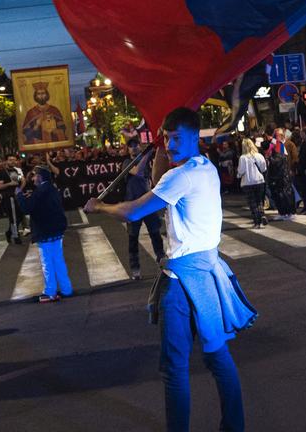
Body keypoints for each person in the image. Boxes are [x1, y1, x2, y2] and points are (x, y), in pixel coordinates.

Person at [84, 107, 254, 432]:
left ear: (193, 136)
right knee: (218, 357)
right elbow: (160, 175)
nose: (171, 145)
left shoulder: (181, 177)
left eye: (177, 138)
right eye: (167, 138)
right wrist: (161, 145)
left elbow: (133, 212)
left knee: (174, 368)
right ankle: (235, 426)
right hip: (208, 274)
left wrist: (99, 206)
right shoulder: (206, 168)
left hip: (181, 282)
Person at [16, 165, 73, 302]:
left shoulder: (40, 191)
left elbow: (27, 208)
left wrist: (19, 195)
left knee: (47, 262)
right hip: (56, 230)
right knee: (58, 260)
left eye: (35, 175)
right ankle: (66, 289)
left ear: (40, 177)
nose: (33, 178)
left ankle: (50, 291)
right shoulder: (51, 188)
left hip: (45, 231)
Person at [122, 138, 165, 279]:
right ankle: (135, 270)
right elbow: (138, 172)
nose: (134, 148)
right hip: (133, 205)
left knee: (155, 235)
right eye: (131, 146)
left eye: (136, 145)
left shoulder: (147, 161)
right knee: (133, 238)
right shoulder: (127, 163)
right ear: (127, 150)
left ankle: (162, 263)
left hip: (148, 204)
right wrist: (147, 154)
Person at [236, 138, 267, 228]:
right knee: (259, 201)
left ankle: (257, 222)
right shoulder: (259, 155)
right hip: (259, 180)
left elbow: (241, 171)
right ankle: (261, 215)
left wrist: (238, 175)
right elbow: (264, 168)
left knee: (252, 202)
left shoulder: (243, 158)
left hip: (248, 182)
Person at [265, 137, 296, 220]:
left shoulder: (277, 156)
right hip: (279, 179)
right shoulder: (276, 155)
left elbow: (276, 166)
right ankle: (283, 213)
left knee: (283, 196)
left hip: (281, 180)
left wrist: (269, 158)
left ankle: (288, 213)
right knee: (279, 197)